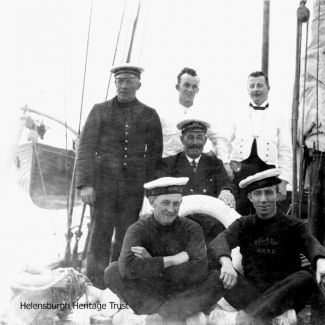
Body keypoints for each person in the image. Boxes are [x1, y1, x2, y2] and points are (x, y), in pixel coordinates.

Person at [209, 169, 325, 325]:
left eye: (268, 193)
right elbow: (219, 241)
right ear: (250, 198)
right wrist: (226, 262)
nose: (263, 199)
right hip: (253, 294)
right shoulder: (244, 224)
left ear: (277, 195)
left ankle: (240, 320)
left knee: (304, 277)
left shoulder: (293, 225)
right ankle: (274, 319)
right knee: (218, 272)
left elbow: (311, 243)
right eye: (258, 194)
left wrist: (321, 262)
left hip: (285, 295)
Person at [76, 64, 163, 289]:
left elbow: (154, 155)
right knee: (99, 235)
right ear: (115, 83)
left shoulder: (149, 115)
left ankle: (119, 284)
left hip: (133, 189)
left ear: (138, 84)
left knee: (127, 236)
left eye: (129, 81)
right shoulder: (99, 110)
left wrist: (151, 192)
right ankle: (94, 286)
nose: (124, 86)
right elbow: (85, 149)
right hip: (102, 186)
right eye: (120, 81)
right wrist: (85, 184)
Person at [104, 177, 225, 325]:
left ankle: (157, 319)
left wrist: (151, 262)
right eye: (165, 203)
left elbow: (199, 270)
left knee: (218, 277)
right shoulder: (137, 229)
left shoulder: (193, 229)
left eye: (176, 204)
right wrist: (170, 260)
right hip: (152, 292)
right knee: (112, 271)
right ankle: (179, 316)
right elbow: (126, 268)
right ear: (152, 202)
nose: (171, 209)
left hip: (184, 291)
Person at [158, 118, 236, 245]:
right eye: (190, 137)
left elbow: (225, 182)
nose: (195, 142)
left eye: (199, 137)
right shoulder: (170, 164)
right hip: (179, 223)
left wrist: (226, 190)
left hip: (210, 225)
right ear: (182, 139)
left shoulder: (214, 163)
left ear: (205, 140)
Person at [224, 71, 292, 215]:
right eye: (252, 86)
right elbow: (224, 141)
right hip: (240, 169)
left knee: (265, 210)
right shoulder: (236, 112)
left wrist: (284, 181)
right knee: (240, 210)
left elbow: (286, 151)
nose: (256, 89)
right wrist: (225, 163)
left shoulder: (279, 115)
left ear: (268, 88)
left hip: (267, 169)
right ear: (247, 89)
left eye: (260, 85)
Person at [159, 67, 230, 163]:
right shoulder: (163, 113)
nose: (190, 90)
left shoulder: (205, 114)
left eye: (194, 87)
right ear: (177, 87)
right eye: (186, 85)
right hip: (170, 166)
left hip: (196, 167)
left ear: (197, 90)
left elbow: (220, 139)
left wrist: (223, 162)